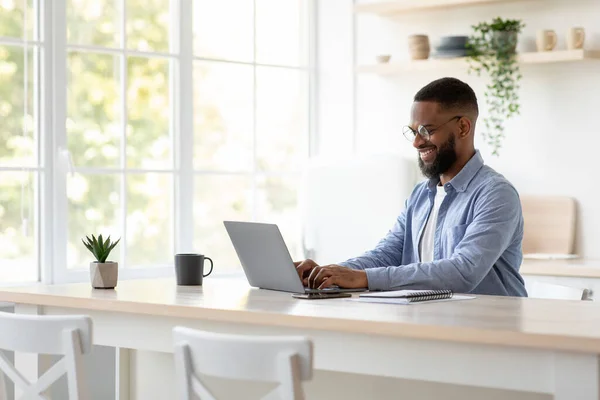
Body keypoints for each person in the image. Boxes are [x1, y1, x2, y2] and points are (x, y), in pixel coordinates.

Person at [295, 77, 527, 297]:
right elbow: (388, 253)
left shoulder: (496, 194)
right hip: (434, 323)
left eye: (427, 130)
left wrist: (362, 277)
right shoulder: (420, 194)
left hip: (491, 331)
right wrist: (327, 273)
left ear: (463, 128)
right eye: (414, 132)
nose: (416, 142)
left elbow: (462, 271)